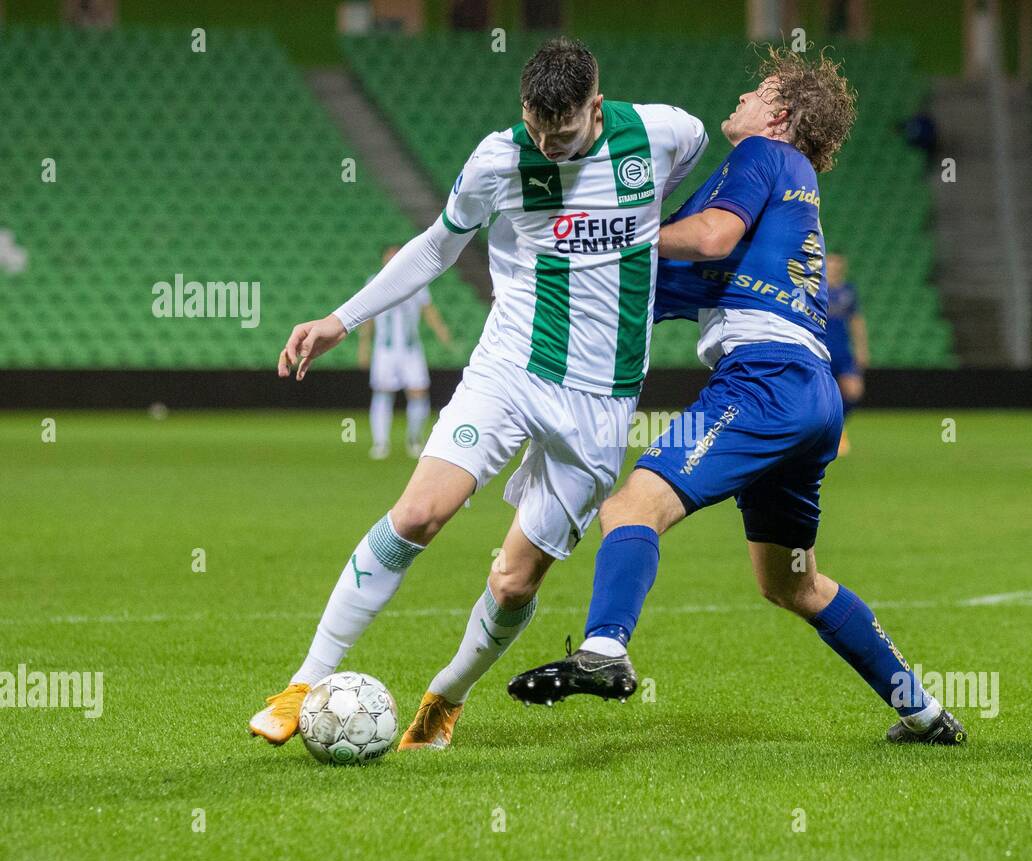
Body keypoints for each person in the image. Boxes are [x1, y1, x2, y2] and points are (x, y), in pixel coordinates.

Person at [248, 37, 707, 750]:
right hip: (511, 368)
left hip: (603, 403)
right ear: (524, 108)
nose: (549, 146)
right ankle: (304, 682)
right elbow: (435, 246)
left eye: (565, 134)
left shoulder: (663, 132)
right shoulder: (499, 159)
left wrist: (645, 237)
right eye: (537, 129)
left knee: (514, 582)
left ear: (596, 104)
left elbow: (691, 163)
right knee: (420, 514)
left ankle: (446, 696)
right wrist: (343, 320)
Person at [508, 48, 966, 745]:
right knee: (792, 584)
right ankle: (926, 713)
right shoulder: (786, 188)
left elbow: (710, 237)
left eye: (756, 92)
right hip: (809, 395)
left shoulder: (762, 157)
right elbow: (669, 284)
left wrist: (620, 230)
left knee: (633, 505)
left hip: (765, 379)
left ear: (779, 117)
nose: (743, 100)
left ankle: (604, 649)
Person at [356, 243, 454, 459]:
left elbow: (429, 311)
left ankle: (414, 439)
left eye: (396, 255)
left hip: (411, 349)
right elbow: (367, 317)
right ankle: (380, 443)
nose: (392, 260)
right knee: (383, 392)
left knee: (418, 391)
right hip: (385, 349)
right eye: (389, 256)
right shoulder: (374, 282)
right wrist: (364, 345)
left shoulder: (417, 281)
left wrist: (442, 332)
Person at [824, 252, 868, 455]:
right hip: (820, 351)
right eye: (830, 262)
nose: (833, 266)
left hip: (842, 350)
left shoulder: (848, 291)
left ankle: (838, 426)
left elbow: (856, 320)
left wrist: (861, 349)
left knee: (853, 390)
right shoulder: (815, 289)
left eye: (837, 263)